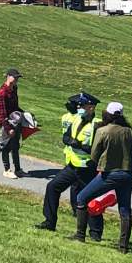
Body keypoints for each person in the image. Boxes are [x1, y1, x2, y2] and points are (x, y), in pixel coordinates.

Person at [74, 103, 132, 251]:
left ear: (107, 114)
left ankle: (80, 235)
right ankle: (123, 246)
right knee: (125, 208)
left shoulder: (103, 131)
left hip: (110, 173)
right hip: (128, 173)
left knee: (82, 198)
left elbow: (94, 154)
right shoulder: (128, 131)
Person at [37, 92, 102, 238]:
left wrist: (80, 146)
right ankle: (49, 221)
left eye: (83, 106)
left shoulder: (97, 124)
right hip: (73, 165)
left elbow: (98, 148)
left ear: (91, 107)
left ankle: (95, 232)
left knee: (89, 199)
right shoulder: (76, 119)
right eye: (79, 106)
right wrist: (70, 141)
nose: (80, 108)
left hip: (87, 168)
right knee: (53, 187)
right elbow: (66, 136)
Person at [0, 68, 25, 178]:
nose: (17, 79)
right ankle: (7, 170)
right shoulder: (3, 92)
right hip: (6, 121)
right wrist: (8, 128)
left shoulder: (14, 88)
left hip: (15, 120)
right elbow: (3, 113)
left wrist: (25, 115)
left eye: (18, 78)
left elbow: (15, 107)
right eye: (15, 77)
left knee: (15, 145)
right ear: (8, 76)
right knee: (6, 147)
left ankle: (18, 169)